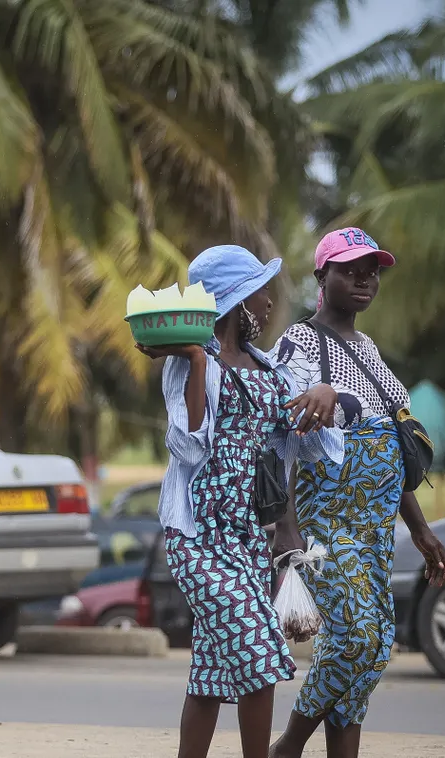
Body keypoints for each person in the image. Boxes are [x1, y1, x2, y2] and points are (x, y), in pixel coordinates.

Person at [138, 245, 343, 758]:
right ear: (235, 301)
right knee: (262, 652)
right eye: (260, 292)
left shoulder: (270, 368)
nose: (271, 302)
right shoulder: (192, 363)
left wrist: (325, 395)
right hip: (198, 538)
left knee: (210, 676)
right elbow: (189, 445)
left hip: (248, 538)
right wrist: (192, 361)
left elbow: (297, 446)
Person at [270, 227, 445, 758]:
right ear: (321, 277)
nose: (364, 279)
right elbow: (277, 433)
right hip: (328, 523)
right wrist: (287, 527)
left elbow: (391, 447)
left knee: (373, 653)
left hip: (375, 528)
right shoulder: (299, 343)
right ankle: (289, 746)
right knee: (354, 639)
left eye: (372, 270)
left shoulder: (368, 348)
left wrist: (420, 529)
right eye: (349, 269)